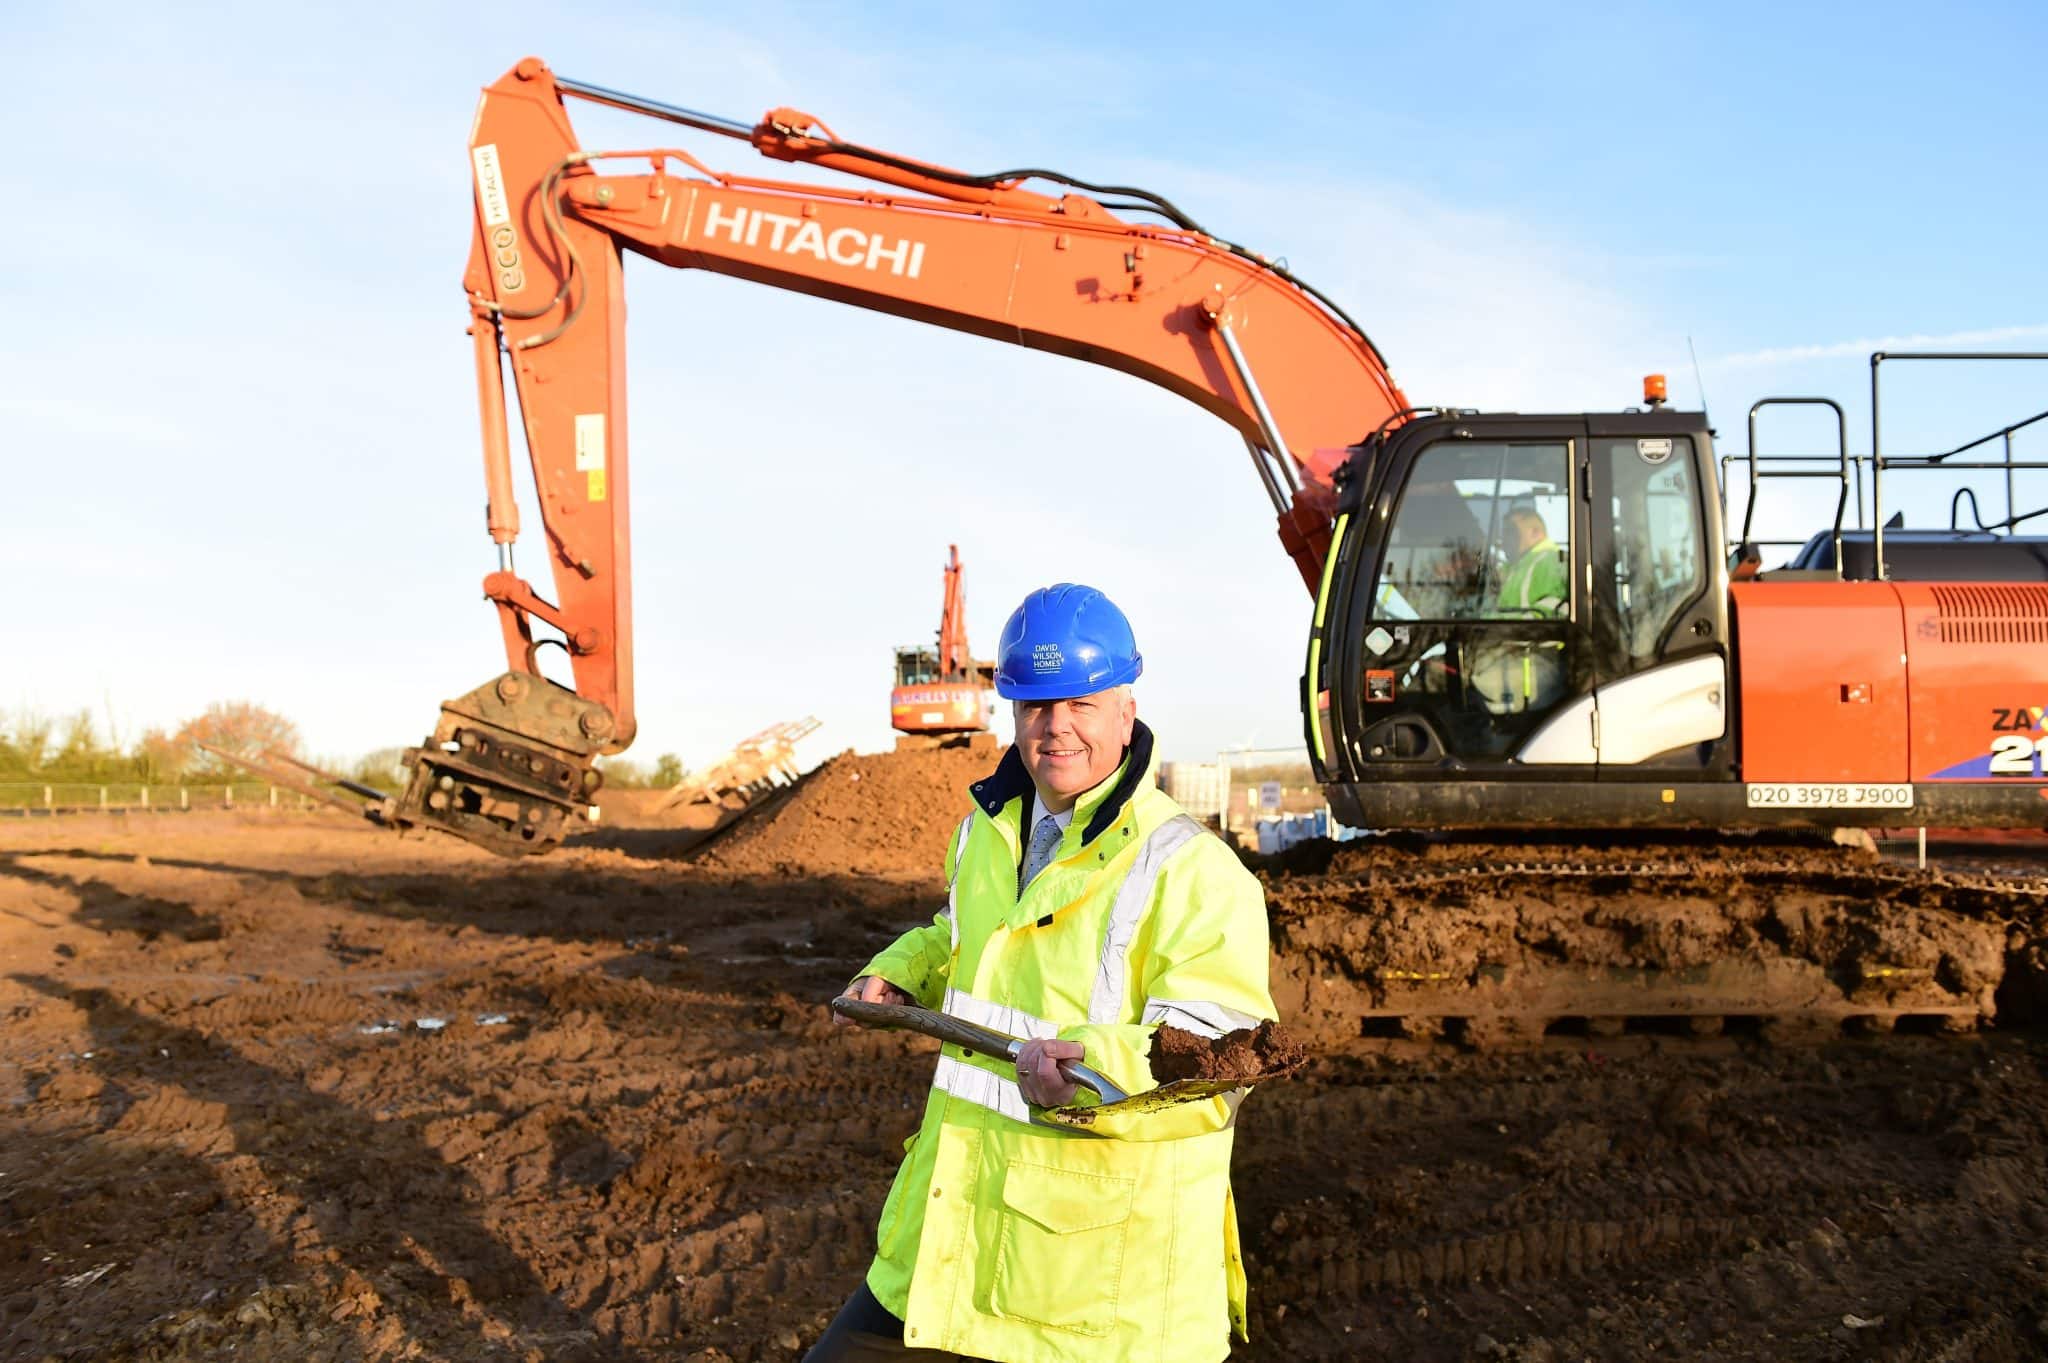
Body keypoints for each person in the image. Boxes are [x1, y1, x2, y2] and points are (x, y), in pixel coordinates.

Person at [806, 584, 1277, 1363]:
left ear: (1126, 710)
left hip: (1090, 1285)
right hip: (958, 1229)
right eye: (1034, 704)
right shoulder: (987, 831)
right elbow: (955, 934)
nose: (1055, 727)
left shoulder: (1193, 870)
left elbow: (1217, 1059)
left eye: (1081, 703)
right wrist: (898, 974)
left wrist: (1090, 1071)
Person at [1495, 507, 1567, 617]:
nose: (1504, 539)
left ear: (1535, 532)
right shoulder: (1517, 567)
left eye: (1511, 531)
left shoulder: (1550, 561)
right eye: (1503, 533)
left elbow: (1549, 612)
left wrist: (1493, 621)